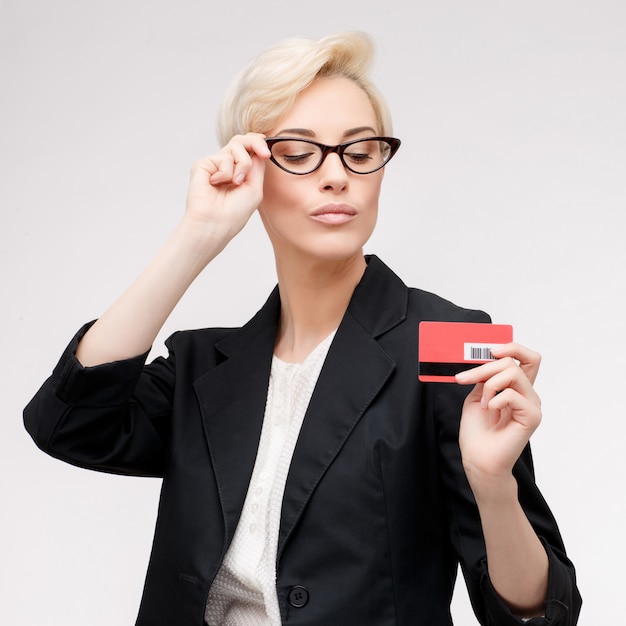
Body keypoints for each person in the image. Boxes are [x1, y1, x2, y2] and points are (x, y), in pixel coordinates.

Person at [24, 31, 581, 626]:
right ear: (249, 166)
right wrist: (197, 236)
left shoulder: (443, 341)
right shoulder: (204, 366)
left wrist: (492, 483)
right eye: (298, 152)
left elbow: (538, 614)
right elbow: (68, 424)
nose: (336, 176)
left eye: (360, 151)